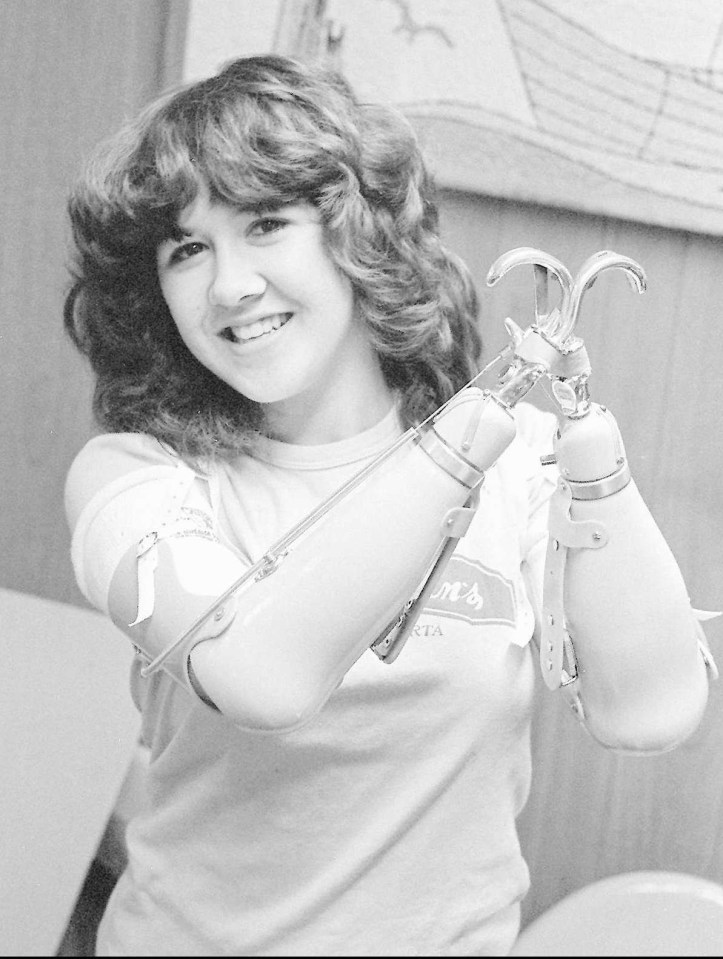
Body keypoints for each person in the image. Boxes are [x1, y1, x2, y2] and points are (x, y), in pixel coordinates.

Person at [62, 54, 714, 956]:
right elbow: (265, 676)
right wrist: (461, 444)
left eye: (266, 222)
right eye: (186, 249)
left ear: (358, 234)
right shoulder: (136, 478)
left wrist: (586, 455)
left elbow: (648, 710)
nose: (229, 285)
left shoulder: (522, 462)